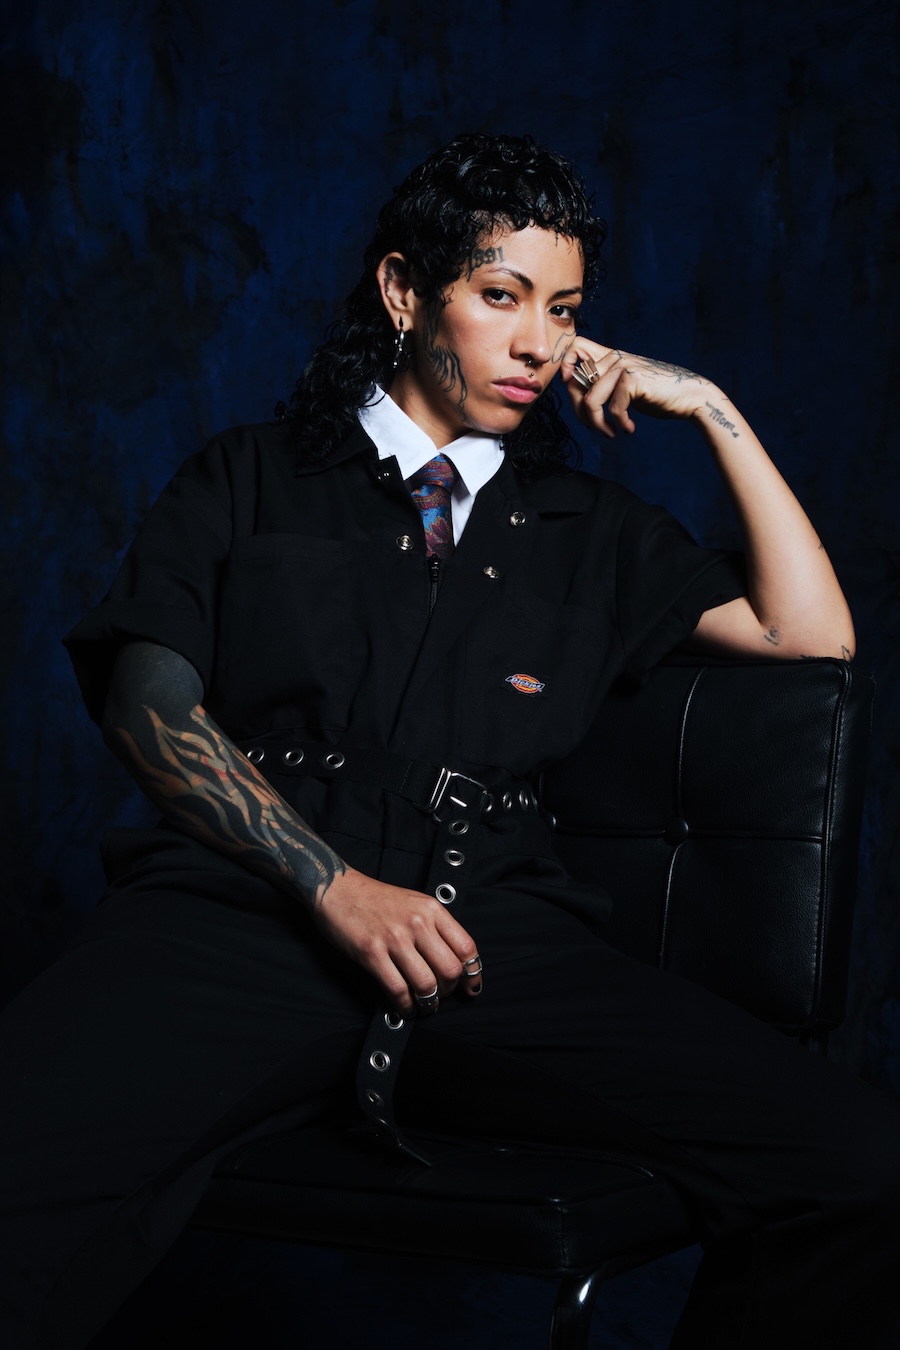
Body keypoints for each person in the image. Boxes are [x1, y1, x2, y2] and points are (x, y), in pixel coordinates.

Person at [0, 132, 898, 1350]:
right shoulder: (252, 477)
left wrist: (714, 411)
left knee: (861, 1165)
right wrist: (334, 886)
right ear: (404, 291)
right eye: (501, 296)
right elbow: (146, 707)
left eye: (563, 311)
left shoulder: (590, 528)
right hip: (247, 914)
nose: (539, 344)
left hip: (494, 935)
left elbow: (811, 636)